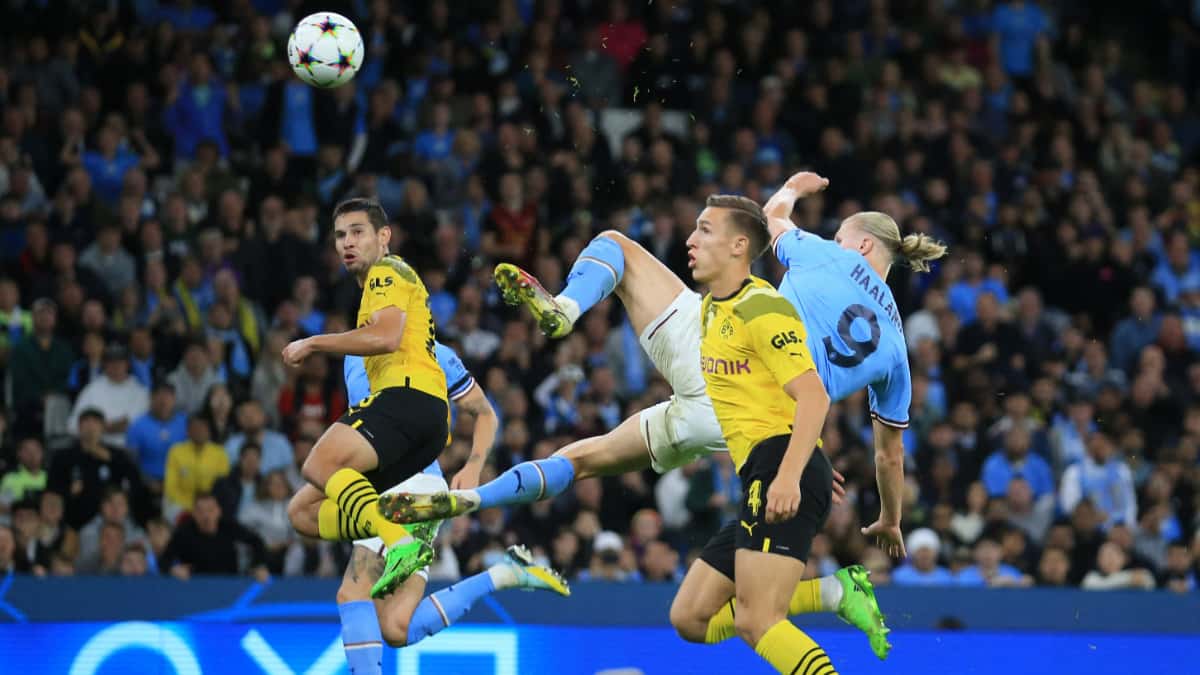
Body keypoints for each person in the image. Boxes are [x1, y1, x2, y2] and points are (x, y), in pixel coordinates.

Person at [664, 193, 845, 674]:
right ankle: (837, 592)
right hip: (770, 468)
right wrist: (810, 463)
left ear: (739, 246)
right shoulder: (711, 309)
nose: (690, 239)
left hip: (779, 468)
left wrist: (795, 472)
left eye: (704, 229)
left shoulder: (764, 307)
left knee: (758, 621)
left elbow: (814, 397)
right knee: (690, 617)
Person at [334, 343, 567, 675]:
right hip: (394, 486)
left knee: (352, 593)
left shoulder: (435, 353)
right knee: (397, 627)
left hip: (407, 486)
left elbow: (485, 413)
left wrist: (473, 465)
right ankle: (504, 574)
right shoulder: (355, 348)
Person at [280, 197, 446, 599]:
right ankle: (404, 526)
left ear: (383, 236)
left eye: (357, 232)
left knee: (320, 462)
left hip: (407, 398)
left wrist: (314, 342)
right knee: (303, 513)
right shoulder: (388, 280)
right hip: (428, 423)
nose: (346, 243)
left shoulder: (386, 271)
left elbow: (386, 337)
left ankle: (400, 543)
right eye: (340, 235)